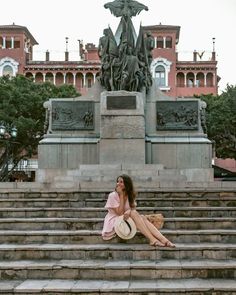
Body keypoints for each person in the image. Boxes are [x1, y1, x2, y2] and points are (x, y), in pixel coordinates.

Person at [102, 174, 175, 247]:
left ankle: (164, 240)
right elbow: (120, 213)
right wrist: (121, 195)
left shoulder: (129, 195)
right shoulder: (113, 195)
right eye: (118, 182)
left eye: (121, 182)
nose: (118, 184)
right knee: (134, 213)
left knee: (142, 217)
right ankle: (153, 240)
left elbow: (132, 209)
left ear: (127, 184)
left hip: (126, 219)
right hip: (115, 221)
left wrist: (129, 211)